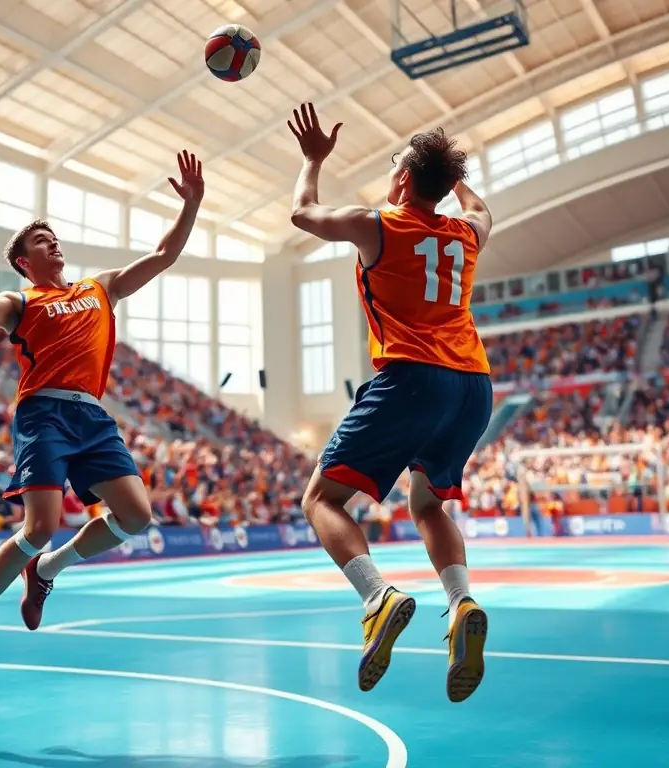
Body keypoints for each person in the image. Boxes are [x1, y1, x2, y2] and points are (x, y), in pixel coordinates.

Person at [0, 150, 205, 677]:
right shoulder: (20, 302)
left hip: (92, 417)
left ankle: (47, 570)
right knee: (40, 525)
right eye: (41, 241)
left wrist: (191, 205)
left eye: (54, 237)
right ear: (24, 261)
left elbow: (163, 255)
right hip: (43, 414)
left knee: (136, 517)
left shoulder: (99, 288)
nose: (53, 243)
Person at [287, 103, 493, 703]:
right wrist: (451, 177)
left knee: (320, 499)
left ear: (402, 178)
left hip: (412, 378)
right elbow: (483, 211)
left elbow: (302, 212)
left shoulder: (378, 224)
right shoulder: (465, 234)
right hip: (473, 386)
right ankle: (461, 602)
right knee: (426, 503)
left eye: (395, 163)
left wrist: (313, 159)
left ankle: (377, 596)